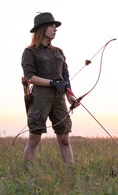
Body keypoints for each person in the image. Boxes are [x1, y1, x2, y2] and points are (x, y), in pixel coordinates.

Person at [21, 12, 79, 165]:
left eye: (55, 27)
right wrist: (52, 83)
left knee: (64, 137)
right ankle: (26, 171)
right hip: (41, 97)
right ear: (42, 29)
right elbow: (30, 77)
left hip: (59, 97)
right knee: (34, 137)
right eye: (52, 26)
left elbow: (65, 75)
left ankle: (70, 171)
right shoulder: (30, 52)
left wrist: (70, 95)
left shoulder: (58, 52)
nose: (55, 29)